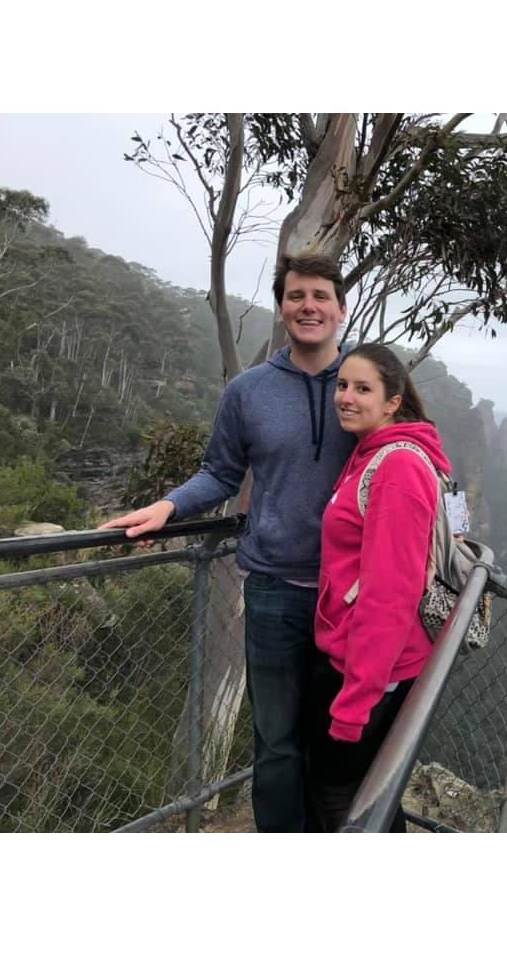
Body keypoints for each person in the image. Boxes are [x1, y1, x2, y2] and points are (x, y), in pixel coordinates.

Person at [99, 252, 356, 833]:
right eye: (296, 296)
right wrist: (166, 507)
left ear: (341, 308)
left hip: (351, 598)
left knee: (340, 739)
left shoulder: (365, 382)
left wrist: (452, 520)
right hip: (272, 590)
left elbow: (412, 453)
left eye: (320, 295)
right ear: (282, 307)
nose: (308, 306)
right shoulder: (249, 391)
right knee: (277, 742)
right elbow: (219, 472)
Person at [306, 343, 453, 832]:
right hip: (351, 657)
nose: (346, 397)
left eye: (363, 389)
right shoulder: (369, 453)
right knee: (370, 793)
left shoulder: (397, 467)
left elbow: (390, 595)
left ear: (393, 402)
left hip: (373, 670)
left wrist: (355, 703)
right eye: (342, 385)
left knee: (339, 798)